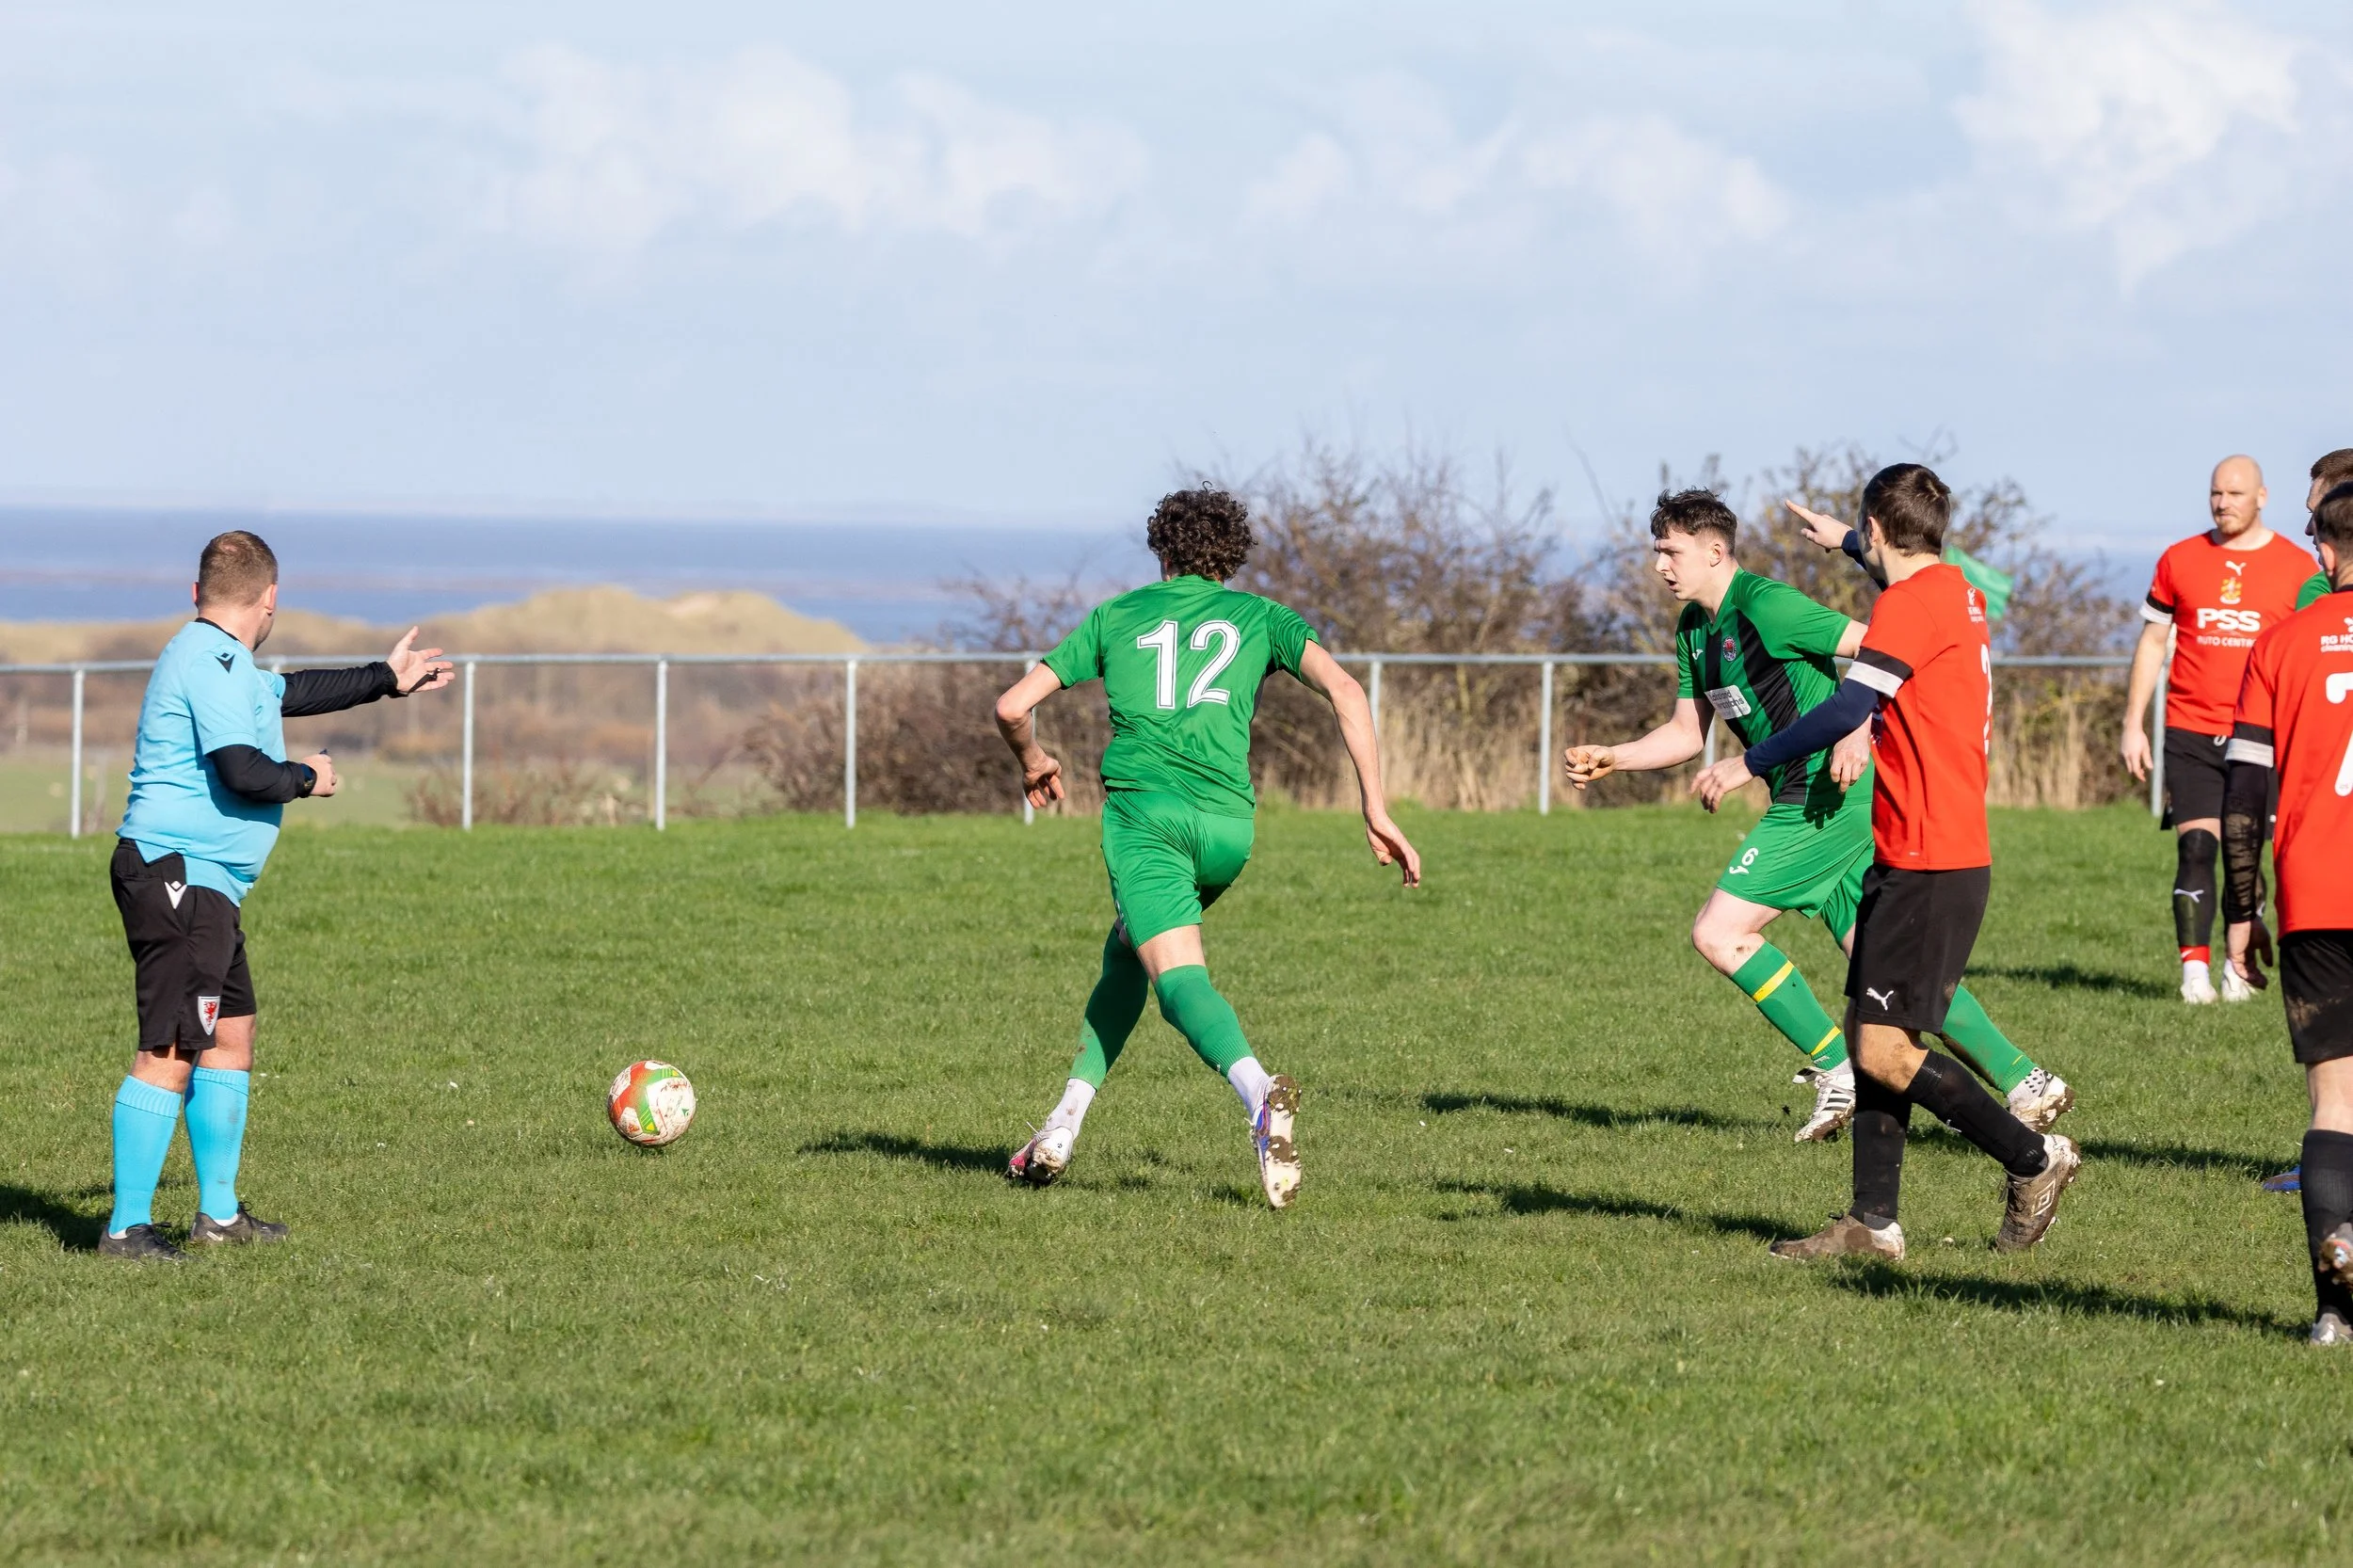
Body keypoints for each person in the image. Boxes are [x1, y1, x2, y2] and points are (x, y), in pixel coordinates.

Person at [1564, 489, 2070, 1144]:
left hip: (1823, 799)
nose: (1661, 564)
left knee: (1721, 933)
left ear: (1716, 551)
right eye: (1657, 551)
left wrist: (1858, 728)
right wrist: (1616, 756)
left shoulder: (1767, 605)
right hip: (1812, 801)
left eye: (1672, 551)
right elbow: (1688, 732)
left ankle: (1839, 1067)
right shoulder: (1695, 628)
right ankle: (2029, 1080)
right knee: (1887, 973)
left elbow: (1878, 648)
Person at [991, 487, 1418, 1208]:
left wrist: (1033, 760)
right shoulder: (1261, 618)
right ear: (1232, 556)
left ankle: (1259, 1093)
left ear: (1160, 550)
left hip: (1146, 821)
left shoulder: (1117, 615)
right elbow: (1347, 691)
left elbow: (1011, 706)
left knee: (1177, 978)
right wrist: (1375, 806)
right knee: (1127, 950)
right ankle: (1062, 1123)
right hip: (1229, 830)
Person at [1693, 465, 2080, 1262]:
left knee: (1883, 1050)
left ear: (1879, 526)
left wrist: (1747, 763)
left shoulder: (1908, 605)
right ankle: (1872, 1224)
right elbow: (1893, 578)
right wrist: (1843, 538)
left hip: (1931, 859)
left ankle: (2035, 1159)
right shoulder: (1957, 590)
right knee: (1871, 1031)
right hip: (1917, 849)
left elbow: (1844, 707)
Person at [101, 531, 455, 1260]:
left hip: (208, 887)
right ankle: (125, 1228)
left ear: (198, 593)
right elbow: (241, 769)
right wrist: (305, 778)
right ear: (271, 598)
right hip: (178, 876)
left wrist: (384, 678)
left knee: (231, 1035)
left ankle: (220, 1216)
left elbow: (292, 691)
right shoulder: (210, 662)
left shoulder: (225, 662)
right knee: (171, 1045)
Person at [2220, 480, 2353, 1342]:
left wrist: (2242, 906)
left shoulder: (2282, 641)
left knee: (2335, 1106)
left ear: (2326, 551)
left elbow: (2243, 797)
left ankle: (2336, 1315)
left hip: (2317, 897)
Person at [2121, 456, 2314, 1004]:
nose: (2222, 502)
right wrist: (2134, 724)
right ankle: (2194, 975)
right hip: (2189, 732)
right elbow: (2154, 642)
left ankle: (2237, 965)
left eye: (2234, 493)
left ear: (2262, 497)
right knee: (2198, 848)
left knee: (2245, 855)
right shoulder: (2180, 559)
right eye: (2215, 493)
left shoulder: (2299, 569)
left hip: (2262, 736)